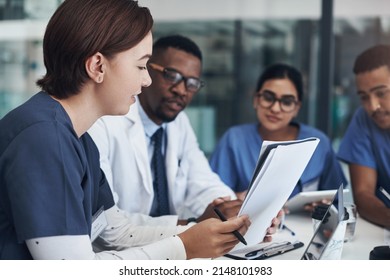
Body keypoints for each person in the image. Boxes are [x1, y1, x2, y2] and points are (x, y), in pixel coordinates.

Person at [0, 0, 252, 260]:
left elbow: (114, 233)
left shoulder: (80, 140)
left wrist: (198, 232)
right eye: (141, 66)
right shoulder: (44, 139)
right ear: (98, 66)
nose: (147, 80)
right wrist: (183, 248)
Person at [88, 35, 248, 225]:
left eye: (192, 83)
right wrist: (190, 226)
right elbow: (105, 220)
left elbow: (203, 182)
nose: (181, 91)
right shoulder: (106, 120)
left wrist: (235, 210)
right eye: (172, 76)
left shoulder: (179, 122)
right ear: (145, 70)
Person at [209, 63, 347, 211]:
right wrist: (238, 199)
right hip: (250, 229)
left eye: (287, 102)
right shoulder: (234, 140)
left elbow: (337, 198)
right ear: (256, 100)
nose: (275, 108)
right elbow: (215, 198)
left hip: (306, 229)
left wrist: (323, 206)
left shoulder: (319, 143)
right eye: (268, 98)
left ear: (297, 108)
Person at [337, 44, 390, 228]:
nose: (373, 106)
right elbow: (362, 194)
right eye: (364, 97)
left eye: (381, 93)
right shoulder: (363, 120)